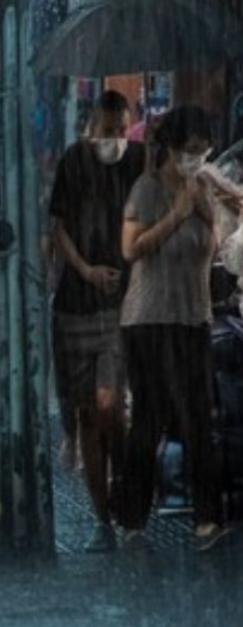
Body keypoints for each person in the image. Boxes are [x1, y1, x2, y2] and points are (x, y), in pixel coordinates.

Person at [120, 105, 242, 552]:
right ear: (171, 149)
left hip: (194, 317)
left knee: (199, 421)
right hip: (150, 319)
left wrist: (213, 196)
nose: (196, 157)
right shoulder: (147, 190)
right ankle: (132, 520)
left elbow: (233, 215)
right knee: (150, 420)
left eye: (202, 150)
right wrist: (176, 213)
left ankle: (208, 523)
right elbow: (132, 249)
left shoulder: (203, 184)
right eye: (190, 151)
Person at [48, 90, 147, 552]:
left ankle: (129, 494)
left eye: (120, 131)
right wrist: (85, 269)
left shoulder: (142, 161)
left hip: (122, 303)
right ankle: (102, 517)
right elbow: (58, 227)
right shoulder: (73, 162)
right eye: (106, 131)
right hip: (76, 303)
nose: (114, 139)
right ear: (91, 128)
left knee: (111, 405)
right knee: (89, 413)